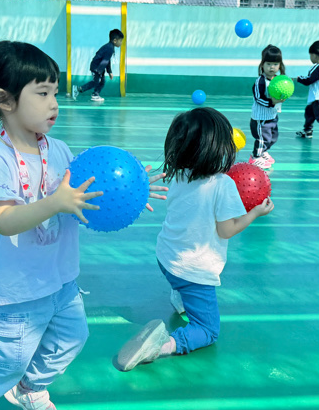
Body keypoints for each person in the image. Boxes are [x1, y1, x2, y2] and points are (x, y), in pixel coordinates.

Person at [0, 41, 165, 410]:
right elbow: (4, 219)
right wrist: (54, 203)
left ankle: (30, 387)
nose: (54, 103)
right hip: (15, 288)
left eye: (54, 92)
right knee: (8, 357)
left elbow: (83, 198)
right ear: (5, 101)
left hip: (60, 279)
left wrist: (132, 190)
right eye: (43, 93)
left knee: (73, 337)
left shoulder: (59, 150)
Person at [115, 106, 274, 372]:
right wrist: (255, 213)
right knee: (208, 330)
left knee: (180, 279)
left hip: (166, 257)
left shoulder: (179, 174)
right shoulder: (223, 184)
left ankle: (180, 297)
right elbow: (226, 230)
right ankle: (162, 345)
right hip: (193, 271)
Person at [249, 44, 286, 170]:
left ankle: (263, 152)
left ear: (280, 65)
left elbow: (280, 95)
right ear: (262, 65)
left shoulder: (278, 80)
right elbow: (258, 98)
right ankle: (255, 157)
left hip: (272, 115)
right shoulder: (260, 81)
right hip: (260, 118)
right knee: (262, 139)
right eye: (268, 64)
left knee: (273, 137)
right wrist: (272, 102)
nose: (272, 67)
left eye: (275, 64)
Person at [72, 29, 123, 104]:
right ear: (115, 40)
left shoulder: (110, 47)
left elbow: (107, 60)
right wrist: (99, 71)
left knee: (101, 82)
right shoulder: (109, 48)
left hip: (99, 68)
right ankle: (83, 91)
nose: (121, 43)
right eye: (120, 41)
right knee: (97, 82)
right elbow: (105, 61)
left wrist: (109, 71)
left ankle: (92, 94)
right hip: (97, 67)